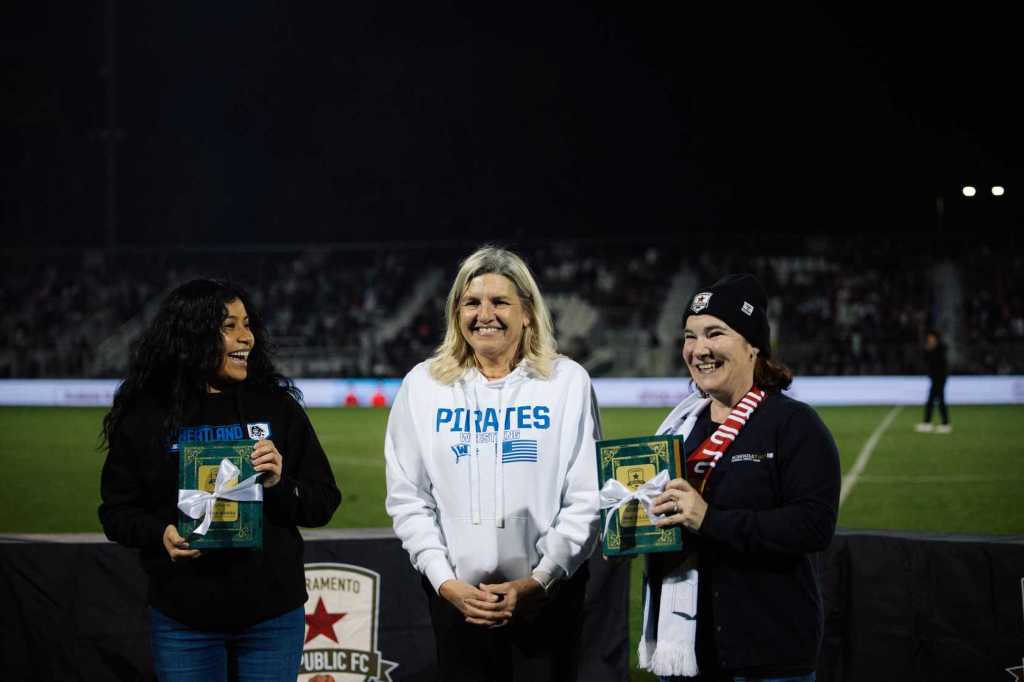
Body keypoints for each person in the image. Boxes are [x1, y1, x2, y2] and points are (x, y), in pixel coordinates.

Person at [98, 279, 342, 681]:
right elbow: (116, 512)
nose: (247, 336)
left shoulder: (276, 406)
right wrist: (160, 534)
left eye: (247, 324)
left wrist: (279, 483)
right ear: (191, 334)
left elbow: (323, 502)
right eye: (229, 326)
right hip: (184, 619)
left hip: (271, 617)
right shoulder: (147, 414)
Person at [384, 245, 601, 682]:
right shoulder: (423, 385)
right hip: (457, 603)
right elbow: (408, 498)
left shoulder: (566, 382)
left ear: (527, 313)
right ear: (456, 313)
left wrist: (540, 581)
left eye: (500, 301)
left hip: (546, 601)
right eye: (471, 302)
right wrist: (446, 583)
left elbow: (586, 497)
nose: (485, 314)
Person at [637, 273, 840, 681]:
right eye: (690, 336)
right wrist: (628, 530)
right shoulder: (678, 429)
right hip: (685, 657)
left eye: (715, 333)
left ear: (753, 346)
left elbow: (813, 526)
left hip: (768, 655)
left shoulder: (794, 424)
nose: (699, 349)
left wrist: (710, 520)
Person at [915, 329, 951, 433]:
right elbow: (926, 360)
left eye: (931, 337)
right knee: (931, 401)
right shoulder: (931, 349)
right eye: (929, 337)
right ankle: (928, 423)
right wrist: (927, 350)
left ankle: (944, 424)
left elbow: (938, 362)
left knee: (940, 400)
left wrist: (930, 350)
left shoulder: (940, 349)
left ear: (936, 338)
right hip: (934, 378)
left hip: (940, 378)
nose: (930, 339)